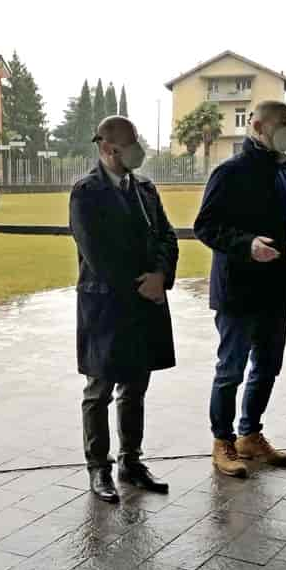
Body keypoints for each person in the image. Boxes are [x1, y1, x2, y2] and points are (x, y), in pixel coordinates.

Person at [194, 101, 286, 476]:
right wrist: (247, 245)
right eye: (282, 123)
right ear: (257, 125)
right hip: (238, 289)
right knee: (231, 369)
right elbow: (206, 226)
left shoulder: (285, 171)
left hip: (276, 287)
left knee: (267, 366)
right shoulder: (229, 172)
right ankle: (223, 441)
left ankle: (250, 434)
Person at [69, 116, 179, 503]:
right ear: (107, 148)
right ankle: (99, 467)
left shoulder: (145, 189)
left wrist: (161, 275)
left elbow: (167, 235)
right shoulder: (86, 192)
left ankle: (131, 461)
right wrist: (143, 285)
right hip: (107, 306)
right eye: (130, 142)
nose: (138, 148)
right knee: (99, 388)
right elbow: (98, 255)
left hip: (145, 303)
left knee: (136, 386)